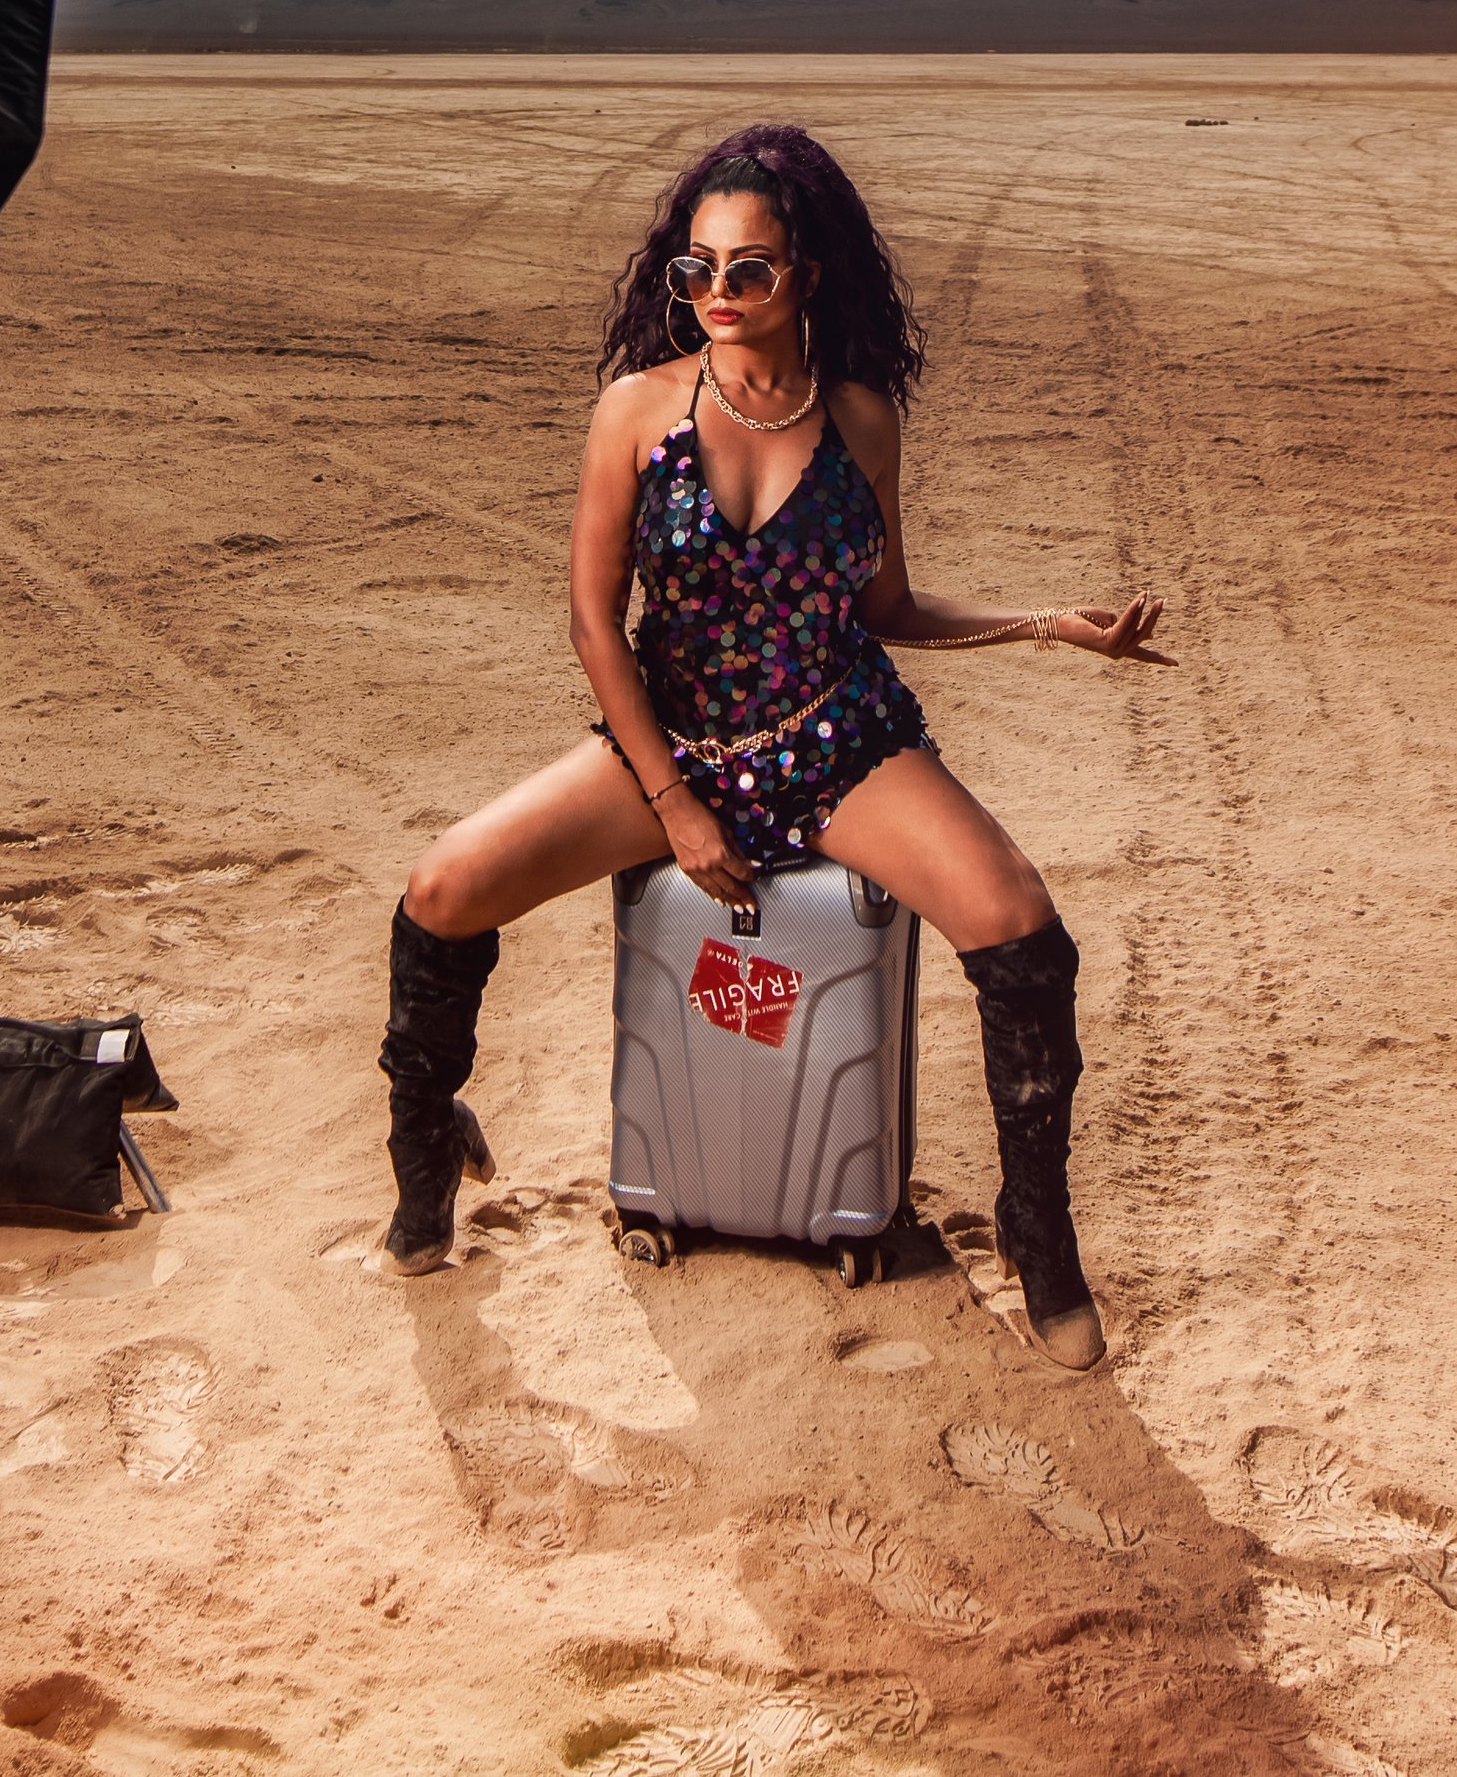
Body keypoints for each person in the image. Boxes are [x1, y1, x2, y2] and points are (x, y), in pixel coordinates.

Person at [379, 123, 1171, 1371]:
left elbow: (888, 611)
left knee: (1021, 925)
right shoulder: (634, 411)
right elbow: (594, 621)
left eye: (747, 269)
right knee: (440, 888)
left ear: (805, 271)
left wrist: (1046, 625)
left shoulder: (860, 417)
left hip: (834, 736)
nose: (716, 296)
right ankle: (425, 1156)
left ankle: (1036, 1230)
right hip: (674, 740)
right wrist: (676, 806)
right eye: (693, 271)